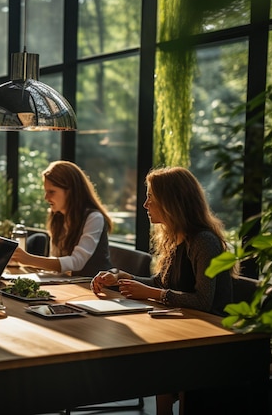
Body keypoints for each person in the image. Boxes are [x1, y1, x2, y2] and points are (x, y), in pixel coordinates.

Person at [91, 166, 233, 415]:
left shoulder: (202, 241)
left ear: (171, 202)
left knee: (156, 361)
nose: (145, 204)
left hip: (210, 339)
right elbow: (161, 283)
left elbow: (203, 300)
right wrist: (122, 278)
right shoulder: (174, 236)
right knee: (155, 359)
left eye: (151, 198)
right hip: (184, 329)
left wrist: (151, 294)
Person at [10, 160, 114, 277]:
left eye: (52, 192)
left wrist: (29, 259)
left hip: (95, 289)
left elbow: (77, 262)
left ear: (71, 191)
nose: (46, 197)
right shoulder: (57, 216)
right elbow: (56, 260)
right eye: (45, 191)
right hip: (68, 285)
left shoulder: (94, 218)